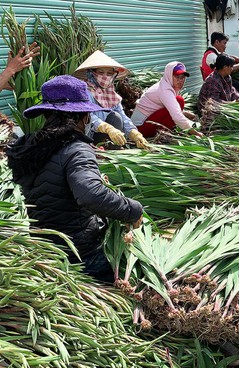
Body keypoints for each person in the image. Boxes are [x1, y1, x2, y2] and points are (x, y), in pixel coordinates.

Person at [6, 75, 144, 283]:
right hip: (81, 255)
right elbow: (90, 195)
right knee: (139, 266)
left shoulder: (32, 146)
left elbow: (55, 186)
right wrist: (133, 210)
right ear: (84, 116)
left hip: (46, 249)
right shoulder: (76, 148)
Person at [73, 50, 149, 149]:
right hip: (86, 136)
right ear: (91, 73)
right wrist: (108, 128)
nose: (105, 77)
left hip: (102, 135)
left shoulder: (111, 94)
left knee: (116, 117)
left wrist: (135, 133)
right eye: (101, 72)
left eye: (109, 73)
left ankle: (111, 153)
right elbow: (88, 117)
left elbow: (123, 116)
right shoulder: (84, 91)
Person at [130, 62, 203, 138]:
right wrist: (196, 133)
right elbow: (177, 117)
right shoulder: (165, 91)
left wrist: (185, 113)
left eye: (182, 77)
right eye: (177, 76)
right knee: (179, 101)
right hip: (139, 130)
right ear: (169, 76)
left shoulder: (164, 85)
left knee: (178, 100)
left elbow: (167, 108)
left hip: (143, 124)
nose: (180, 80)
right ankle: (162, 133)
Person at [200, 32, 239, 99]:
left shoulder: (217, 53)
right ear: (217, 42)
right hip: (216, 83)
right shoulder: (211, 55)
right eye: (224, 43)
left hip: (221, 80)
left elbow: (230, 57)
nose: (225, 46)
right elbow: (224, 67)